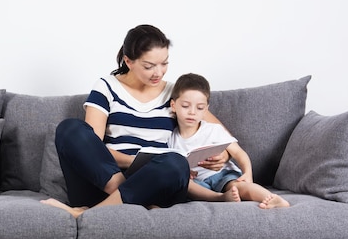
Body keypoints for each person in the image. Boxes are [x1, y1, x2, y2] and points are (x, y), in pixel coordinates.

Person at [41, 24, 231, 218]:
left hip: (158, 181)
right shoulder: (106, 87)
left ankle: (87, 214)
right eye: (149, 66)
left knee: (176, 163)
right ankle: (129, 198)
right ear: (128, 61)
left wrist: (224, 155)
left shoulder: (175, 94)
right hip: (104, 182)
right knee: (69, 128)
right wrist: (135, 163)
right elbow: (93, 148)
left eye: (164, 63)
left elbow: (220, 134)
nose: (159, 72)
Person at [169, 73, 290, 209]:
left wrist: (247, 173)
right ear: (173, 106)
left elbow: (239, 153)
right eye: (185, 106)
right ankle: (219, 198)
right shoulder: (170, 137)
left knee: (238, 186)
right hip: (198, 184)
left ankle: (274, 199)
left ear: (206, 110)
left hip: (222, 175)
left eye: (200, 108)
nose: (192, 112)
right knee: (185, 185)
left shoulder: (213, 130)